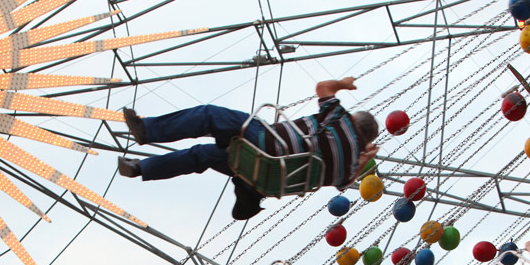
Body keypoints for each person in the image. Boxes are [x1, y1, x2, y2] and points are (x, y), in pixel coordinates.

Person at [117, 78, 379, 220]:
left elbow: (323, 87)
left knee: (209, 116)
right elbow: (352, 176)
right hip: (272, 180)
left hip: (265, 145)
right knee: (206, 155)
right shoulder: (346, 173)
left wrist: (344, 84)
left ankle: (148, 132)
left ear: (355, 120)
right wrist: (366, 155)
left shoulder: (340, 118)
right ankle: (140, 169)